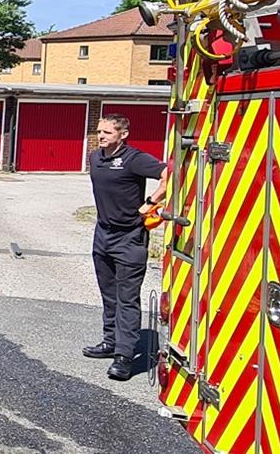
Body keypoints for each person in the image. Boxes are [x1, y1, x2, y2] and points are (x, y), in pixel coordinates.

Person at [86, 114, 167, 382]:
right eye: (99, 131)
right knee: (108, 294)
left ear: (123, 134)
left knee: (127, 298)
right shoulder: (96, 158)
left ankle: (124, 356)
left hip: (129, 237)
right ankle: (110, 342)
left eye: (107, 132)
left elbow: (168, 174)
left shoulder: (134, 159)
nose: (101, 136)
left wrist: (150, 202)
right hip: (103, 234)